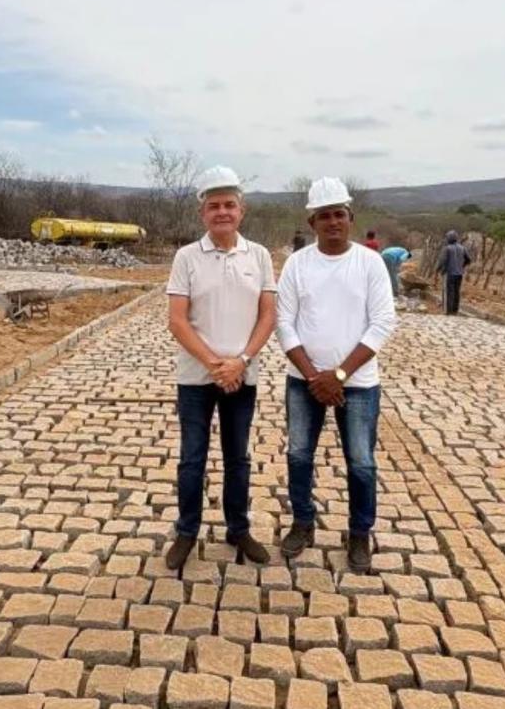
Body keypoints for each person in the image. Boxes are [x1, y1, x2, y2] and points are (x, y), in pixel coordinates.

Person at [275, 176, 396, 573]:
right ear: (312, 223)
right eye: (323, 216)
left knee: (361, 461)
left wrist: (340, 374)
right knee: (298, 455)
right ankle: (303, 523)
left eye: (339, 214)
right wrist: (314, 376)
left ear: (351, 217)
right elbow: (283, 323)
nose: (332, 222)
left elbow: (382, 323)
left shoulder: (370, 263)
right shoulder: (298, 263)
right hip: (303, 380)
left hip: (359, 383)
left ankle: (360, 532)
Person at [164, 165, 276, 569]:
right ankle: (187, 531)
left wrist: (241, 362)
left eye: (230, 204)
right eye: (214, 206)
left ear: (241, 210)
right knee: (192, 458)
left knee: (238, 458)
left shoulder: (259, 256)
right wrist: (216, 364)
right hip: (196, 378)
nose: (222, 212)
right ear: (203, 214)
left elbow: (268, 316)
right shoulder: (187, 257)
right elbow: (177, 319)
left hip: (242, 377)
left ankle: (238, 529)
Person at [436, 230, 471, 315]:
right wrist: (462, 266)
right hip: (459, 273)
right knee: (456, 292)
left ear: (449, 238)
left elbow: (442, 261)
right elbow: (469, 260)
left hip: (449, 273)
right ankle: (455, 310)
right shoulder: (463, 248)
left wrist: (437, 270)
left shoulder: (447, 248)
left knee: (448, 292)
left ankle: (448, 310)